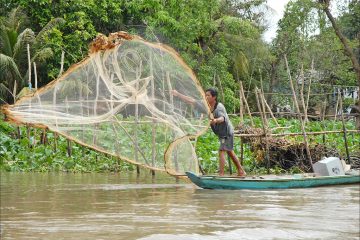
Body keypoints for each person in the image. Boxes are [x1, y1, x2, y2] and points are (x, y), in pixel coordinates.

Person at [172, 88, 246, 176]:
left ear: (214, 97)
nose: (206, 97)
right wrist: (178, 94)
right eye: (205, 95)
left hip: (227, 132)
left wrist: (215, 120)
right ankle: (241, 171)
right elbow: (192, 101)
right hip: (220, 132)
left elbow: (222, 118)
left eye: (208, 95)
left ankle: (221, 175)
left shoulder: (219, 107)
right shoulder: (205, 105)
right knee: (229, 151)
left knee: (222, 150)